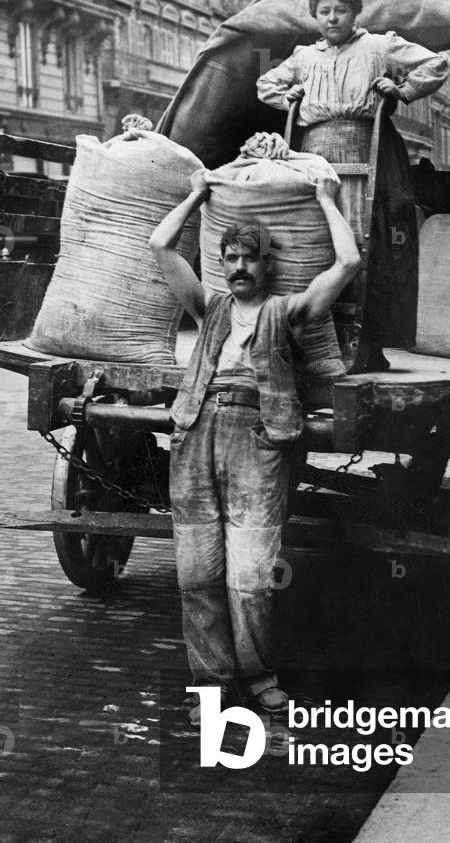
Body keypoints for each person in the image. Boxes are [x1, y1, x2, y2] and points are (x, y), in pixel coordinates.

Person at [145, 131, 360, 721]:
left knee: (253, 575)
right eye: (231, 259)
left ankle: (259, 679)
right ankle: (210, 687)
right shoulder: (208, 306)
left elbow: (348, 262)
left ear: (270, 265)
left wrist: (323, 200)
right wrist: (196, 195)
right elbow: (161, 246)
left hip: (259, 442)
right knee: (197, 573)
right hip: (194, 435)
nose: (240, 267)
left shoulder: (287, 310)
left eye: (251, 259)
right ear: (223, 266)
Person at [256, 0, 449, 370]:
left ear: (354, 13)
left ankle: (369, 343)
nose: (332, 18)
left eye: (339, 10)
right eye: (324, 12)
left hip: (370, 146)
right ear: (315, 17)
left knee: (373, 239)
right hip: (316, 152)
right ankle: (314, 340)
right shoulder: (305, 56)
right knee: (317, 240)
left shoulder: (380, 46)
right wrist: (286, 96)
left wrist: (401, 88)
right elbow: (266, 83)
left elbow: (436, 63)